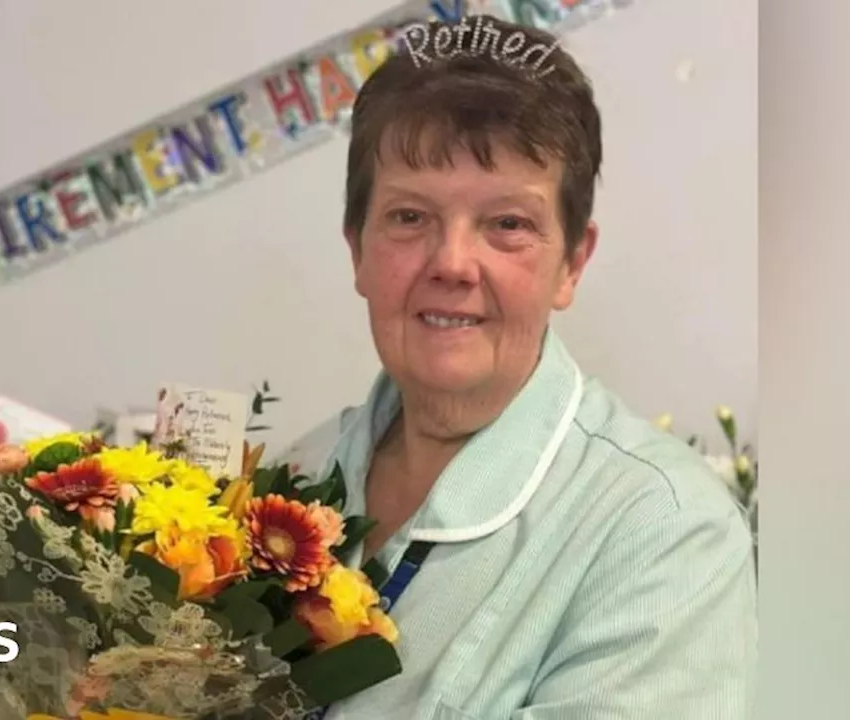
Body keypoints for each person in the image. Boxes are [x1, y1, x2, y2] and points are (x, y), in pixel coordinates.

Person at [308, 14, 757, 719]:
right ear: (356, 248)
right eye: (409, 217)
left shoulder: (665, 535)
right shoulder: (292, 478)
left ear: (572, 263)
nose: (453, 264)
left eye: (507, 224)